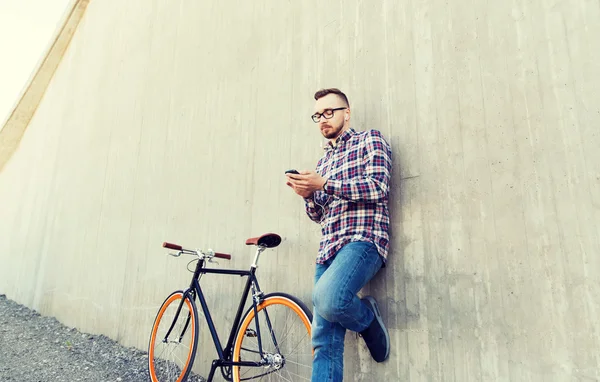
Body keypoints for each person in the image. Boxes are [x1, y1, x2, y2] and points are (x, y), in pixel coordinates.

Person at [285, 88, 392, 381]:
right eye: (317, 115)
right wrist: (308, 194)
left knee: (329, 299)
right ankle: (365, 320)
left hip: (363, 240)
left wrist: (325, 183)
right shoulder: (323, 163)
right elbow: (318, 215)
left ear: (347, 112)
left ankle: (367, 320)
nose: (322, 120)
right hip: (328, 249)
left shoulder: (370, 140)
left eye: (329, 112)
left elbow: (377, 187)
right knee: (323, 343)